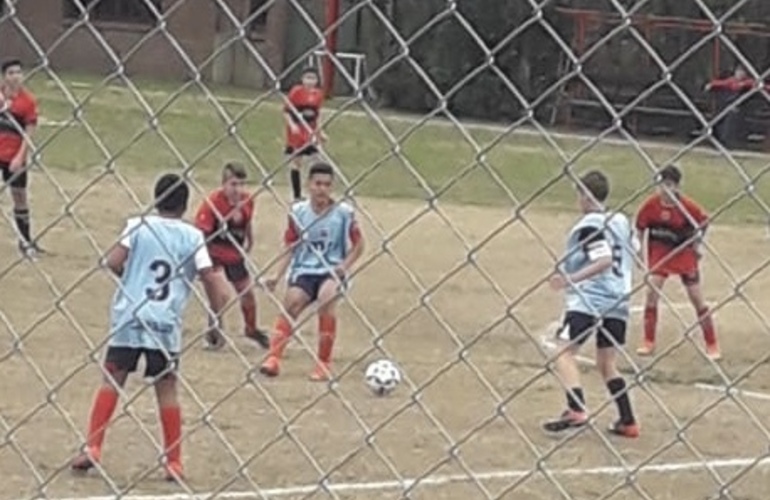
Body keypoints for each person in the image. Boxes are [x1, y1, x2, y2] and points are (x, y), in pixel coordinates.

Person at [71, 173, 228, 481]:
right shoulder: (192, 236)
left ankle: (93, 447)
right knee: (166, 389)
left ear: (156, 200)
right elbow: (211, 279)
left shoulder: (138, 225)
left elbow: (114, 261)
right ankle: (174, 461)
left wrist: (132, 279)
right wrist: (215, 317)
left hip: (130, 315)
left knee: (112, 379)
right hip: (165, 323)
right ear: (184, 206)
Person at [542, 171, 640, 439]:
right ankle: (627, 420)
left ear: (586, 195)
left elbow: (603, 259)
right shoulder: (620, 221)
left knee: (564, 351)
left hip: (590, 300)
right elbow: (634, 250)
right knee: (607, 362)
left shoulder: (590, 225)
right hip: (619, 300)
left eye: (579, 194)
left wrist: (569, 279)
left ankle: (576, 408)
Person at [260, 162, 364, 381]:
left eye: (327, 184)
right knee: (292, 302)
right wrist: (277, 276)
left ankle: (323, 363)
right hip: (305, 268)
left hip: (331, 269)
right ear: (309, 185)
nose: (322, 189)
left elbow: (359, 245)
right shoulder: (298, 212)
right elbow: (291, 246)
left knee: (327, 298)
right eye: (318, 183)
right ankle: (273, 358)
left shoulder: (344, 213)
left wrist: (343, 267)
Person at [635, 164, 719, 360]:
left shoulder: (688, 207)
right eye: (661, 185)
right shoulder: (650, 205)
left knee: (697, 298)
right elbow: (639, 228)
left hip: (683, 255)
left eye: (669, 185)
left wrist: (697, 245)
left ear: (677, 187)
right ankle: (648, 341)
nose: (665, 190)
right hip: (660, 255)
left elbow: (704, 222)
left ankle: (712, 343)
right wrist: (639, 252)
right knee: (651, 294)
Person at [194, 162, 269, 350]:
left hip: (234, 254)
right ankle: (214, 330)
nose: (238, 189)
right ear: (224, 184)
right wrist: (202, 262)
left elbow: (247, 222)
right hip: (214, 254)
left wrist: (250, 242)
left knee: (248, 294)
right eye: (234, 184)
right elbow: (200, 234)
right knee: (222, 294)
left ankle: (251, 329)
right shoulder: (212, 203)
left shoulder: (247, 201)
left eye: (242, 184)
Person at [0, 59, 41, 257]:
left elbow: (28, 133)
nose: (16, 76)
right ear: (4, 76)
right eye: (11, 73)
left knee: (19, 197)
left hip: (12, 156)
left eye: (18, 72)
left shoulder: (28, 102)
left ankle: (25, 240)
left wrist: (19, 157)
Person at [284, 67, 326, 202]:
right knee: (297, 162)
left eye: (313, 78)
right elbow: (286, 111)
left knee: (318, 160)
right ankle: (296, 195)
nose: (310, 81)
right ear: (302, 79)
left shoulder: (318, 94)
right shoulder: (296, 92)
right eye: (307, 77)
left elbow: (317, 115)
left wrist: (320, 132)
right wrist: (292, 125)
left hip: (310, 133)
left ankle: (315, 191)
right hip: (297, 132)